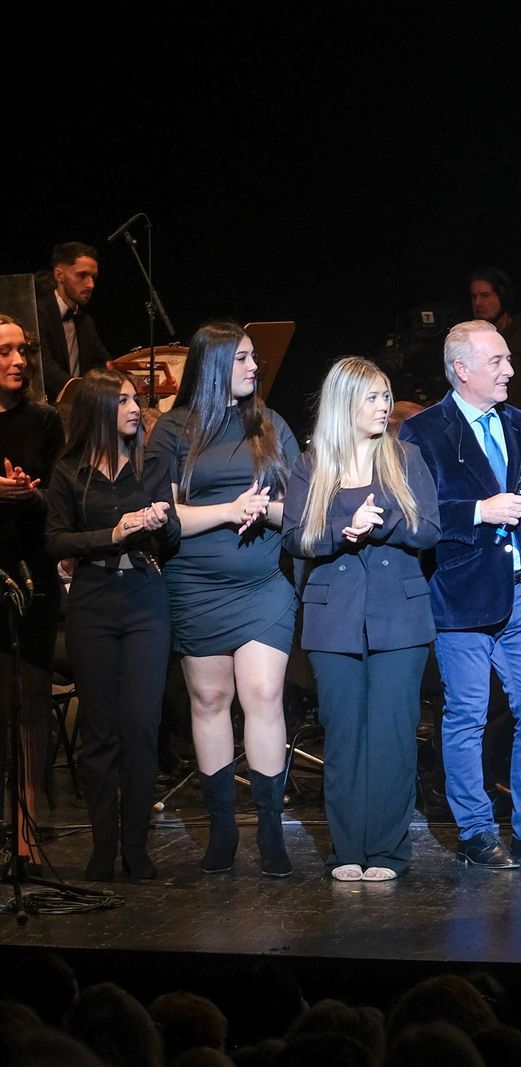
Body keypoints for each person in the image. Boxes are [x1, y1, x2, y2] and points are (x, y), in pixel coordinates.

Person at [399, 320, 521, 869]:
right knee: (467, 715)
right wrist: (477, 512)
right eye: (497, 361)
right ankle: (476, 830)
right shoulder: (425, 432)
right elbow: (417, 515)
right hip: (461, 597)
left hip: (520, 595)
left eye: (507, 360)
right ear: (462, 370)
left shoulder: (517, 422)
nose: (510, 370)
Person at [147, 322, 301, 876]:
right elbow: (164, 518)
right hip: (196, 584)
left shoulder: (269, 423)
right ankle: (221, 829)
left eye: (253, 357)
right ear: (212, 364)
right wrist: (229, 509)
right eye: (241, 359)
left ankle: (269, 829)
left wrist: (265, 510)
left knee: (263, 692)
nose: (253, 367)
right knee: (210, 701)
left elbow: (296, 508)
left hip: (261, 585)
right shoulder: (173, 429)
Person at [283, 357, 441, 881]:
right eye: (372, 397)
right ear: (345, 403)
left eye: (386, 396)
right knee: (344, 735)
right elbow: (295, 538)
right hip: (335, 619)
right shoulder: (312, 465)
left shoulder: (405, 457)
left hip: (400, 618)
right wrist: (342, 530)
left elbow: (429, 530)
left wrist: (384, 521)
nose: (384, 406)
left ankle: (389, 851)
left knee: (393, 737)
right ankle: (348, 849)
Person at [43, 369, 176, 880]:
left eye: (134, 399)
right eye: (122, 400)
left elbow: (172, 539)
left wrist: (163, 523)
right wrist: (112, 533)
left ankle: (137, 845)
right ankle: (103, 844)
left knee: (141, 726)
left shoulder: (152, 464)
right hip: (94, 601)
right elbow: (56, 540)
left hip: (144, 597)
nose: (134, 408)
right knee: (99, 731)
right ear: (99, 408)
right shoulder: (69, 472)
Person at [0, 315, 63, 869]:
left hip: (31, 574)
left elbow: (63, 507)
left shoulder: (44, 422)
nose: (19, 361)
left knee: (31, 705)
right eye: (5, 352)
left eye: (23, 350)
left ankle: (27, 833)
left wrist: (28, 494)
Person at [468, 267, 521, 416]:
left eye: (485, 295)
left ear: (503, 297)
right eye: (474, 296)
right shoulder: (470, 339)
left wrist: (519, 416)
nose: (478, 303)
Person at [34, 242, 111, 403]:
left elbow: (104, 363)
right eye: (82, 275)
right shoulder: (38, 314)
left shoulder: (85, 321)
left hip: (77, 409)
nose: (90, 284)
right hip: (46, 409)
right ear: (59, 275)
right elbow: (44, 368)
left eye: (93, 277)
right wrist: (83, 393)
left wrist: (135, 379)